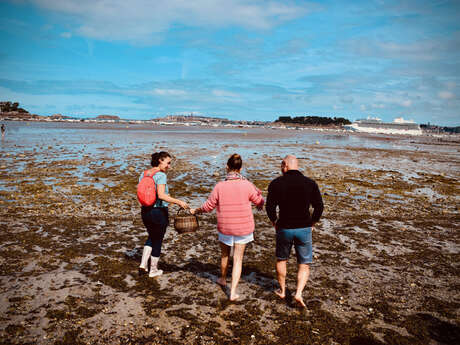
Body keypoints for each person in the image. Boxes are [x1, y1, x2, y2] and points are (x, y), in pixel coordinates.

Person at [191, 154, 264, 301]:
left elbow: (208, 206)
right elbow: (260, 202)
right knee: (238, 259)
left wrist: (196, 210)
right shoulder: (247, 184)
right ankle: (233, 292)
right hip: (243, 228)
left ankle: (223, 279)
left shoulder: (220, 186)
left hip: (225, 226)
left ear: (227, 167)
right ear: (241, 168)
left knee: (225, 255)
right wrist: (258, 193)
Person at [266, 155, 323, 307]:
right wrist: (313, 222)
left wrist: (274, 221)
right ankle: (298, 293)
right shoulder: (310, 183)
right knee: (304, 264)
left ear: (285, 165)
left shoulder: (276, 183)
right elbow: (319, 206)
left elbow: (269, 206)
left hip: (284, 227)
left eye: (281, 166)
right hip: (304, 227)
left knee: (281, 259)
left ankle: (283, 290)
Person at [139, 151, 189, 278]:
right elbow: (161, 195)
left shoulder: (144, 174)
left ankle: (143, 265)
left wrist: (167, 198)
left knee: (151, 236)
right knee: (158, 240)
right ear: (160, 161)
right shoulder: (161, 175)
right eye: (168, 163)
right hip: (158, 212)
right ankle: (153, 270)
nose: (169, 166)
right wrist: (178, 202)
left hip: (145, 211)